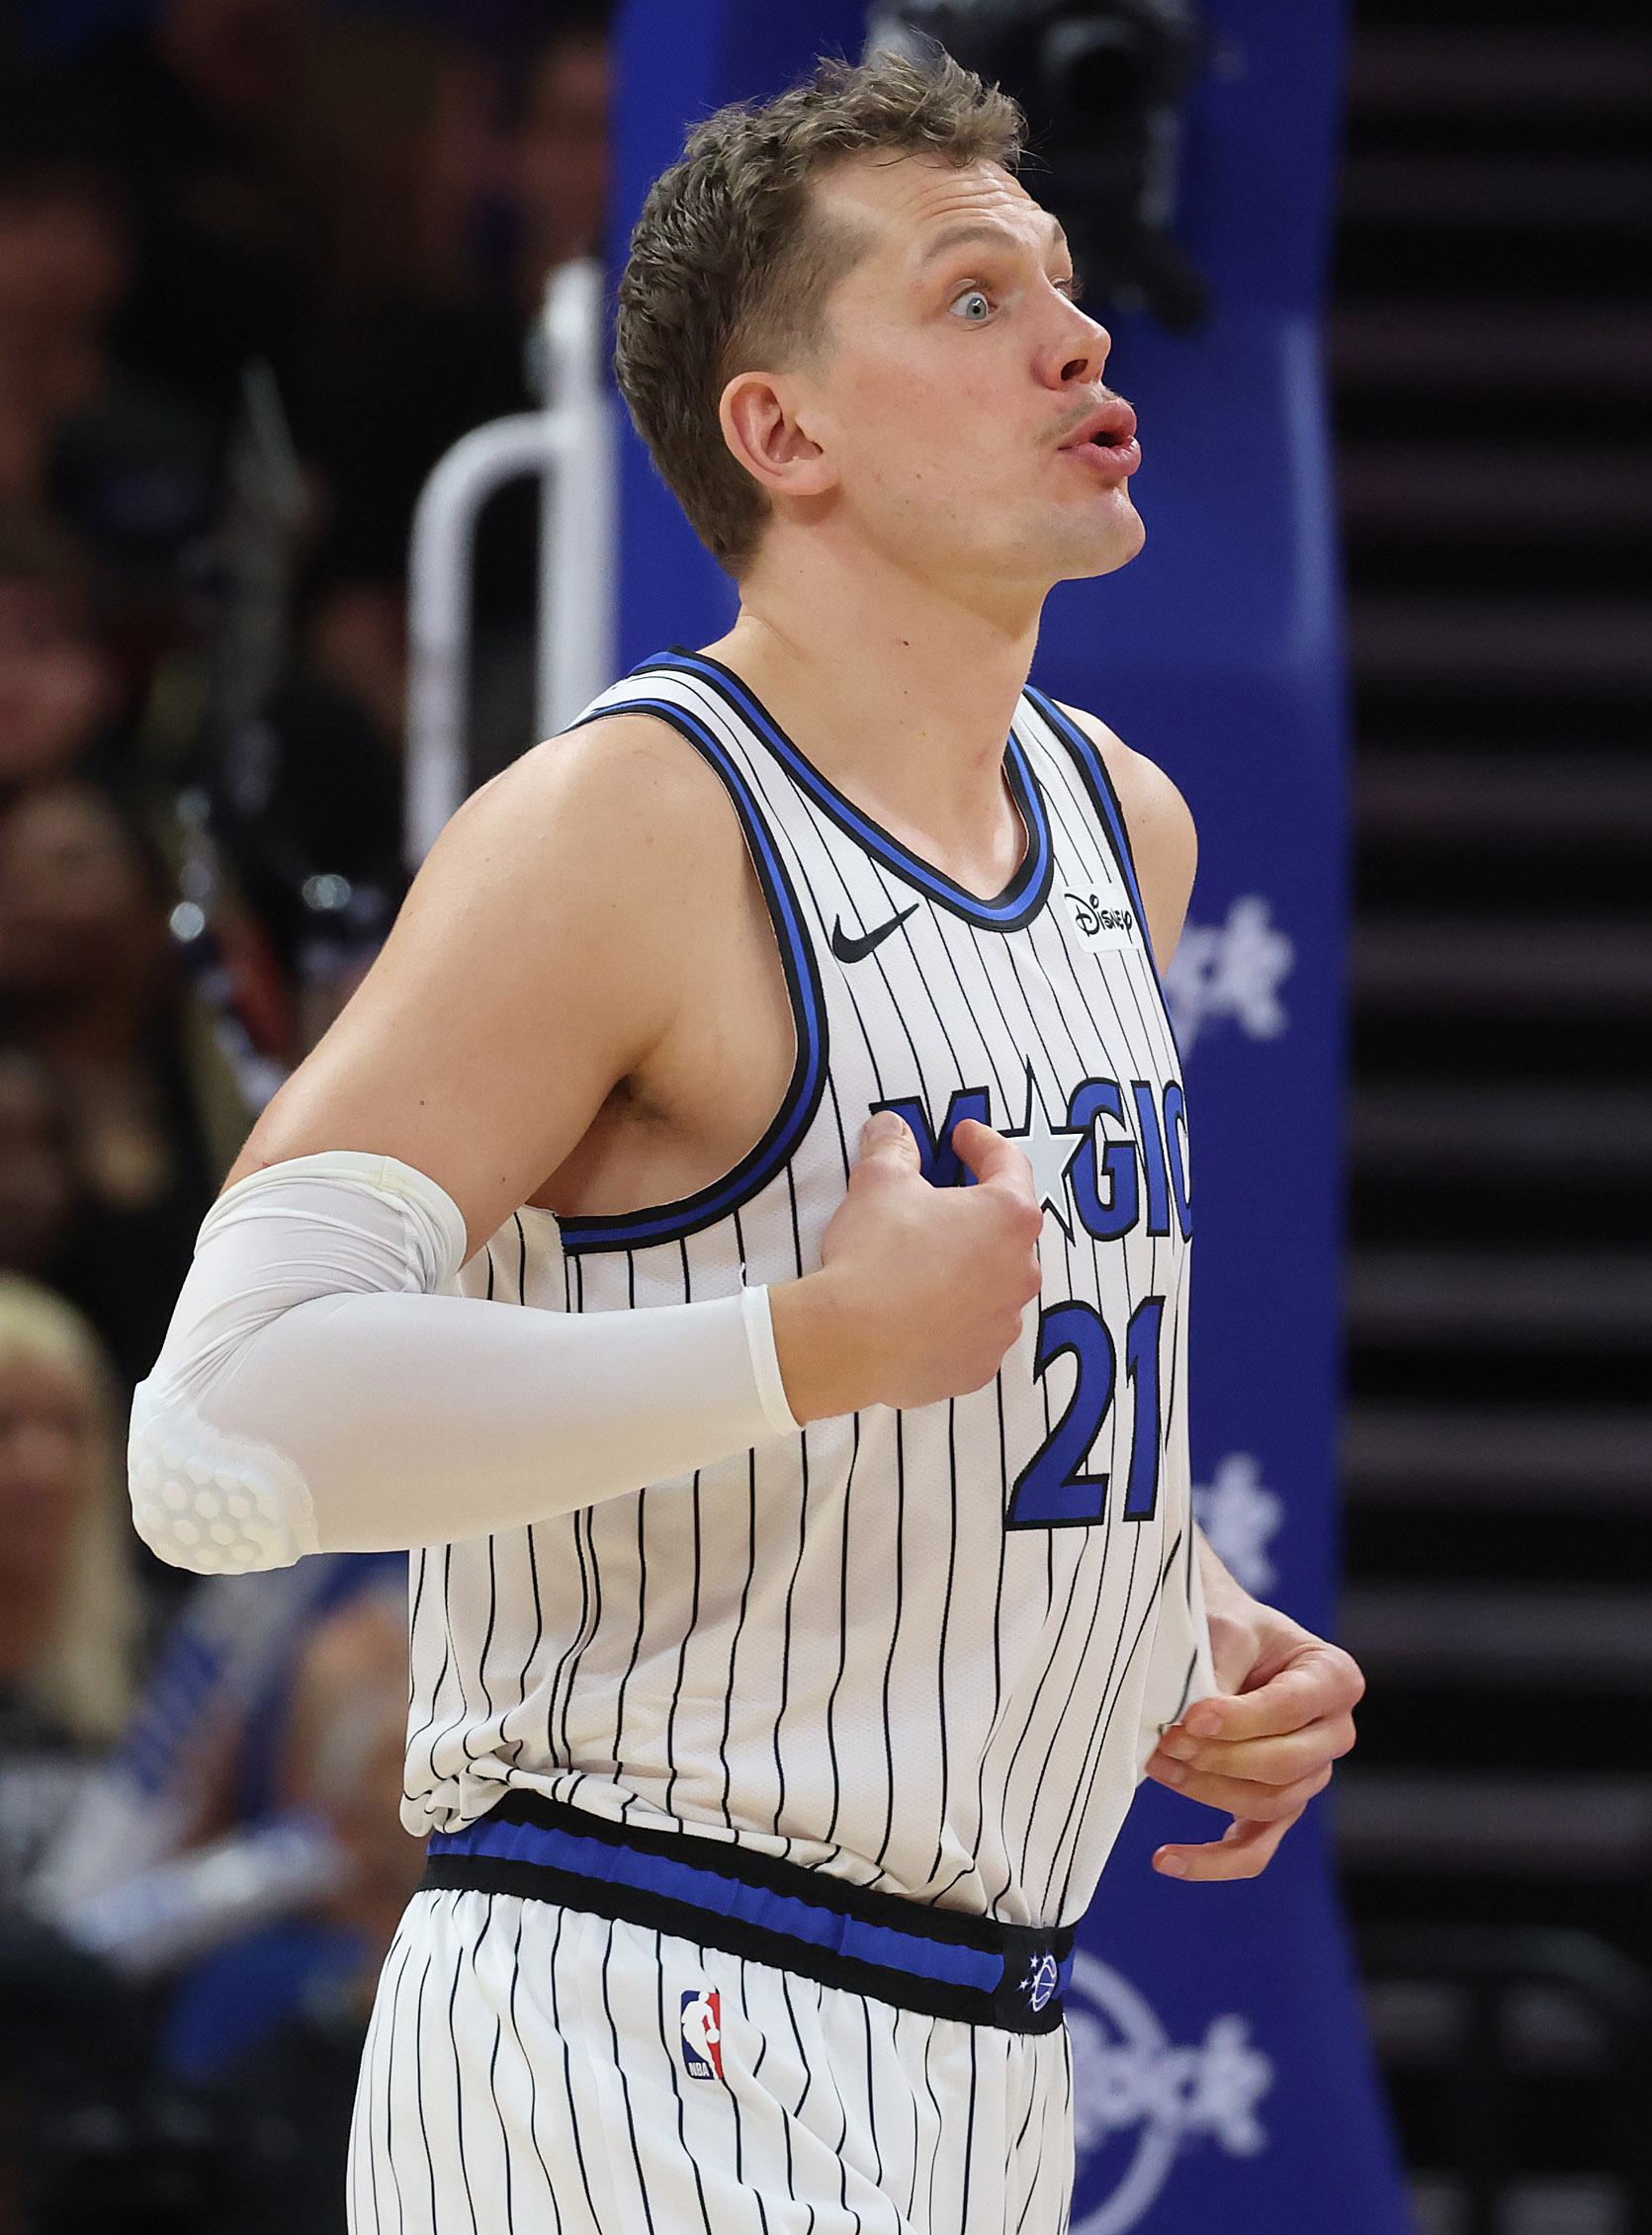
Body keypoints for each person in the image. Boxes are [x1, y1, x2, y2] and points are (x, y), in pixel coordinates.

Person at [131, 50, 1364, 2234]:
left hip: (982, 2038)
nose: (1078, 337)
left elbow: (923, 1402)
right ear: (778, 431)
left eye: (1066, 289)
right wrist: (801, 1349)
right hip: (631, 2003)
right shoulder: (623, 823)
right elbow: (217, 1436)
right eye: (975, 300)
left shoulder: (1118, 830)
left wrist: (1157, 1620)